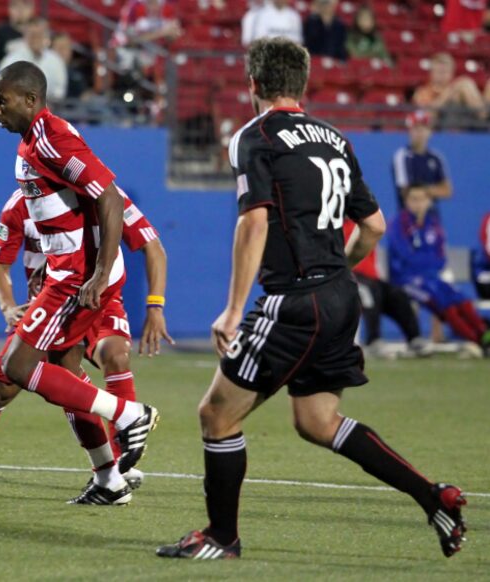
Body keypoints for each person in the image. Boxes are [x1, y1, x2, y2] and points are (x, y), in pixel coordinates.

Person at [157, 37, 467, 561]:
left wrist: (234, 309)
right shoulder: (334, 137)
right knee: (317, 422)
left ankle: (221, 537)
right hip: (340, 295)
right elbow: (372, 226)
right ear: (302, 85)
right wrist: (336, 275)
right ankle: (434, 496)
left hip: (296, 300)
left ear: (252, 84)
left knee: (216, 415)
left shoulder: (252, 136)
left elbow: (253, 220)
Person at [0, 61, 160, 505]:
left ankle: (129, 414)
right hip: (65, 272)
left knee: (17, 367)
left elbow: (106, 195)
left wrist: (100, 273)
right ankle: (109, 481)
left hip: (75, 279)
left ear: (30, 100)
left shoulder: (49, 136)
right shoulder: (32, 140)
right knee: (65, 375)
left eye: (1, 100)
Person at [0, 187, 172, 494]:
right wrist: (8, 307)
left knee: (114, 354)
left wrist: (155, 306)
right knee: (4, 387)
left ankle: (117, 463)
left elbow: (152, 246)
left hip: (98, 298)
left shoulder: (102, 192)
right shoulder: (21, 203)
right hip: (51, 303)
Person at [388, 188, 490, 354]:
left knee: (460, 298)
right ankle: (476, 340)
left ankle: (484, 335)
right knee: (442, 302)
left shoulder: (433, 223)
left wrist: (428, 263)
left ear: (428, 201)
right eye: (413, 199)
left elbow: (441, 256)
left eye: (421, 199)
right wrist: (427, 262)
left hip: (432, 276)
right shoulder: (399, 223)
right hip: (407, 279)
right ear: (406, 201)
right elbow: (405, 256)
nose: (417, 203)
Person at [343, 219, 430, 358]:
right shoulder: (335, 228)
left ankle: (415, 339)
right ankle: (373, 340)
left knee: (398, 294)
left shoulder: (364, 226)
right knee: (368, 293)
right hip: (349, 277)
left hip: (372, 279)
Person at [392, 110, 452, 210]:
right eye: (416, 128)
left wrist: (423, 191)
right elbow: (405, 191)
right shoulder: (401, 157)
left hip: (432, 215)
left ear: (430, 132)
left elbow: (447, 190)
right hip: (407, 216)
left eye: (423, 128)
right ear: (409, 131)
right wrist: (431, 191)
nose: (420, 132)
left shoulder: (436, 158)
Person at [0, 17, 67, 102]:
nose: (36, 39)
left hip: (50, 107)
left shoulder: (55, 60)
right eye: (32, 35)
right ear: (25, 36)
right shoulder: (11, 61)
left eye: (39, 35)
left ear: (46, 36)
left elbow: (59, 91)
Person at [412, 52, 485, 125]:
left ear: (452, 73)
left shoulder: (459, 89)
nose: (442, 75)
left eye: (445, 71)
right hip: (439, 130)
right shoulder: (422, 92)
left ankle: (485, 118)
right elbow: (427, 116)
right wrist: (448, 93)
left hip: (467, 127)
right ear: (431, 72)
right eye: (439, 71)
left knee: (466, 83)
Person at [0, 0, 34, 64]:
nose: (20, 10)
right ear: (9, 9)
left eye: (25, 5)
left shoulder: (38, 33)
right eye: (15, 5)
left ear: (32, 9)